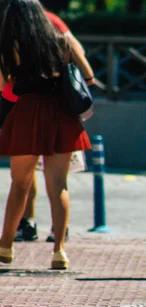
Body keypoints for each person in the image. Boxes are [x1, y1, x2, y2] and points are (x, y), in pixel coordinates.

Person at [0, 0, 92, 270]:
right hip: (61, 114)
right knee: (59, 185)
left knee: (20, 183)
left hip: (27, 112)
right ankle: (59, 252)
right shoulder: (62, 40)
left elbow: (6, 87)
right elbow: (88, 74)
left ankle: (5, 246)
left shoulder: (9, 46)